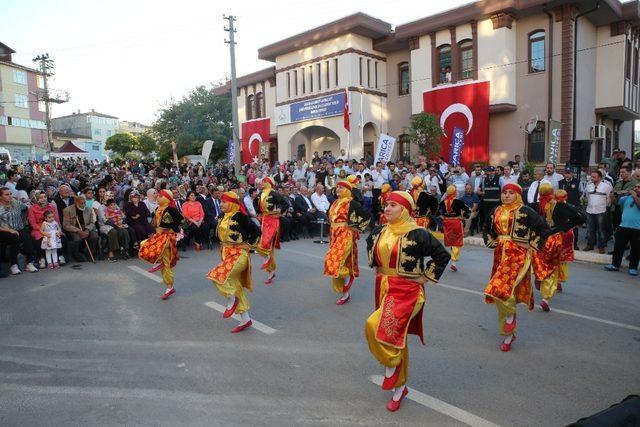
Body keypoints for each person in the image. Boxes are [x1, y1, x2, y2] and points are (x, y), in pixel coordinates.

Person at [365, 191, 450, 412]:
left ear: (404, 210)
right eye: (386, 205)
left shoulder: (418, 234)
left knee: (376, 326)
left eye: (393, 205)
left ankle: (392, 369)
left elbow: (442, 255)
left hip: (406, 290)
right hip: (384, 286)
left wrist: (425, 277)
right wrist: (375, 263)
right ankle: (399, 388)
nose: (387, 209)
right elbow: (369, 244)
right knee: (392, 335)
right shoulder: (380, 231)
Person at [483, 183, 549, 352]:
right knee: (499, 292)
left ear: (518, 195)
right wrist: (492, 241)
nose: (506, 196)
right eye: (504, 193)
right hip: (500, 255)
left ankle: (511, 317)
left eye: (511, 193)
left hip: (517, 255)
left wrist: (532, 245)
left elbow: (544, 229)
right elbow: (487, 228)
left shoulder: (526, 211)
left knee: (500, 288)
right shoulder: (496, 211)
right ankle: (509, 335)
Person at [207, 191, 261, 333]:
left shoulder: (240, 216)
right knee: (235, 286)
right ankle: (246, 319)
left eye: (224, 202)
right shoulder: (224, 216)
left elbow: (256, 232)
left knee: (217, 276)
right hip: (227, 254)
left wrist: (248, 245)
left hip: (239, 255)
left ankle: (231, 300)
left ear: (232, 203)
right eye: (221, 201)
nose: (221, 204)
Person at [531, 183, 585, 311]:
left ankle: (540, 276)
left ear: (540, 193)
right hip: (556, 239)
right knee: (553, 266)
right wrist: (567, 226)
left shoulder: (536, 205)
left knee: (541, 262)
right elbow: (581, 217)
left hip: (541, 238)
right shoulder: (560, 206)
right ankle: (546, 297)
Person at [324, 176, 371, 305]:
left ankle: (345, 289)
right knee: (339, 262)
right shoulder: (334, 202)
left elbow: (367, 215)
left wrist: (356, 226)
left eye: (341, 187)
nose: (338, 189)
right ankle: (345, 293)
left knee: (334, 260)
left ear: (347, 190)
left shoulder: (351, 203)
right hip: (334, 234)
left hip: (345, 234)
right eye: (337, 187)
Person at [138, 190, 183, 300]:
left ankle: (168, 283)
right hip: (160, 235)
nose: (157, 198)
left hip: (167, 237)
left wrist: (174, 229)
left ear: (166, 198)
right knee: (165, 264)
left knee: (164, 262)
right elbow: (155, 224)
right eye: (157, 196)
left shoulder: (170, 209)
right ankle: (169, 286)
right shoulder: (159, 209)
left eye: (159, 196)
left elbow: (170, 225)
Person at [255, 176, 288, 285]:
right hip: (264, 221)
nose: (262, 183)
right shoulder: (260, 194)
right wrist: (258, 214)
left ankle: (269, 264)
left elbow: (285, 203)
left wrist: (279, 209)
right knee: (266, 247)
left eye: (264, 181)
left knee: (265, 245)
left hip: (273, 221)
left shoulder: (274, 193)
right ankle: (271, 271)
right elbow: (258, 208)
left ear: (269, 183)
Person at [605, 182, 640, 276]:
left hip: (637, 228)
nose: (636, 188)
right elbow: (615, 203)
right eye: (635, 186)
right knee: (618, 247)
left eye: (639, 187)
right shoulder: (627, 198)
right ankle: (615, 265)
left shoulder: (633, 196)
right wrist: (612, 195)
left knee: (636, 249)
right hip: (623, 226)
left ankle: (633, 267)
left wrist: (634, 196)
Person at [0, 187, 38, 274]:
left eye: (10, 194)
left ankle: (29, 263)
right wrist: (9, 230)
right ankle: (14, 265)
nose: (10, 196)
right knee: (14, 237)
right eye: (6, 194)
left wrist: (24, 220)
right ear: (1, 197)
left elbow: (26, 209)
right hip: (4, 230)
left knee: (27, 237)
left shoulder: (16, 202)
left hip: (18, 228)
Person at [554, 189, 586, 292]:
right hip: (567, 233)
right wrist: (572, 225)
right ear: (566, 197)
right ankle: (559, 280)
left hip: (555, 233)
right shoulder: (571, 207)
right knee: (562, 258)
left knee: (554, 257)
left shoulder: (552, 206)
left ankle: (554, 280)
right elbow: (581, 218)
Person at [29, 190, 66, 268]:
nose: (43, 199)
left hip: (53, 226)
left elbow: (57, 220)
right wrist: (43, 230)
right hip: (39, 228)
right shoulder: (32, 208)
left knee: (60, 236)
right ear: (36, 198)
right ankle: (42, 258)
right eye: (41, 197)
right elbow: (33, 223)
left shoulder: (51, 206)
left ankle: (60, 256)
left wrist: (59, 230)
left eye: (45, 197)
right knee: (40, 238)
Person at [439, 185, 470, 271]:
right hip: (456, 223)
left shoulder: (443, 202)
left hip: (447, 223)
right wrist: (464, 216)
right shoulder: (458, 202)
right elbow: (468, 209)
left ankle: (452, 260)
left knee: (451, 241)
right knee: (457, 242)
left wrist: (442, 217)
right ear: (455, 192)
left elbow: (436, 210)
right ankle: (454, 262)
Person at [63, 195, 99, 263]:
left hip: (86, 227)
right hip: (73, 228)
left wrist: (87, 230)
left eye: (84, 203)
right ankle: (76, 255)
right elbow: (66, 225)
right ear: (76, 202)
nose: (83, 205)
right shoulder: (67, 210)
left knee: (95, 236)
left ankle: (89, 255)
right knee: (77, 239)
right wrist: (78, 231)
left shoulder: (88, 209)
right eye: (81, 203)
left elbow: (92, 222)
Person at [584, 170, 612, 253]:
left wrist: (603, 206)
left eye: (594, 177)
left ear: (599, 177)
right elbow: (587, 196)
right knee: (590, 229)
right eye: (591, 176)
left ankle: (601, 246)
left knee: (601, 230)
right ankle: (590, 245)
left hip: (601, 211)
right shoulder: (588, 186)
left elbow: (608, 199)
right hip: (589, 210)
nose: (592, 178)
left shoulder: (606, 186)